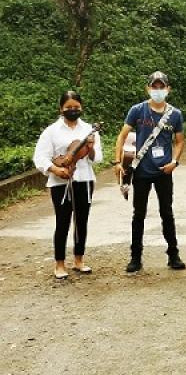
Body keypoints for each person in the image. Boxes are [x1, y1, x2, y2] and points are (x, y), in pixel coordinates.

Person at [114, 71, 186, 272]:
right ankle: (135, 257)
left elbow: (180, 141)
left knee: (167, 212)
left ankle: (174, 255)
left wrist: (175, 161)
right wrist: (117, 161)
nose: (158, 90)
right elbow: (122, 136)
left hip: (164, 171)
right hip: (141, 171)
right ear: (148, 88)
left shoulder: (175, 114)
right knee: (139, 214)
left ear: (168, 89)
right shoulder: (137, 110)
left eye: (161, 87)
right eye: (154, 87)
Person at [34, 91, 102, 279]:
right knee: (62, 222)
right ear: (61, 109)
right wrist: (55, 170)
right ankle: (59, 264)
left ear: (81, 108)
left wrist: (90, 148)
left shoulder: (88, 129)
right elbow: (40, 157)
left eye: (76, 108)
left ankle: (79, 260)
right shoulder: (51, 131)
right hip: (60, 182)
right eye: (69, 108)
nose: (73, 111)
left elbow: (97, 159)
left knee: (81, 221)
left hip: (85, 179)